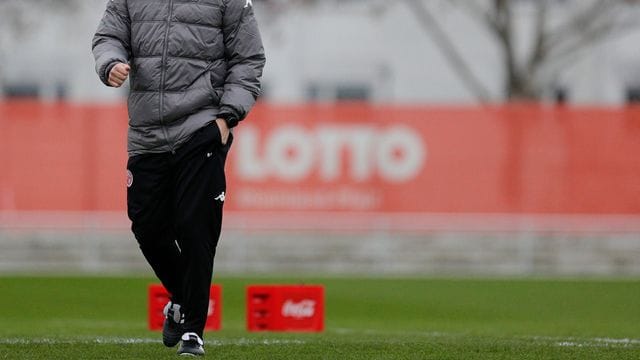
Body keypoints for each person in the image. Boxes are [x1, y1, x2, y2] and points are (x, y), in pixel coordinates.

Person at [92, 0, 265, 356]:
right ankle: (183, 300)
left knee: (195, 227)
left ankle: (193, 332)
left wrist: (226, 118)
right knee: (147, 226)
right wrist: (109, 63)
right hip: (146, 134)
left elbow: (248, 58)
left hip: (200, 127)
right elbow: (108, 35)